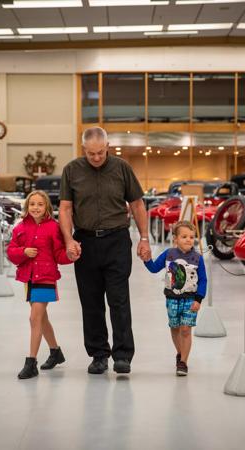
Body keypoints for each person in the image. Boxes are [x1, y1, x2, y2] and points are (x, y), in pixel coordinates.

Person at [59, 126, 151, 375]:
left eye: (101, 153)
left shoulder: (122, 168)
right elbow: (65, 209)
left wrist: (144, 238)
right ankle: (99, 354)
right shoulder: (72, 170)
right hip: (85, 243)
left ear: (108, 147)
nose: (97, 158)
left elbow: (137, 204)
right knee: (91, 303)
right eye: (91, 154)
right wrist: (69, 240)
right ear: (84, 150)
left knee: (119, 300)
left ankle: (123, 356)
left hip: (117, 241)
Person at [7, 190, 73, 380]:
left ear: (47, 208)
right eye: (32, 204)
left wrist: (71, 255)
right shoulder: (19, 228)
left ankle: (31, 362)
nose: (36, 207)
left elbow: (59, 254)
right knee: (41, 318)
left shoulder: (53, 227)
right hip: (29, 278)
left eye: (40, 204)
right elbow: (11, 252)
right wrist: (23, 252)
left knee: (34, 318)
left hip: (46, 276)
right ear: (27, 206)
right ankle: (55, 352)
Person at [142, 221, 207, 376]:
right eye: (184, 236)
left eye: (191, 237)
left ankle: (183, 362)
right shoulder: (168, 254)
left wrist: (198, 299)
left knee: (186, 329)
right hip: (172, 298)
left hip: (190, 299)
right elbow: (154, 268)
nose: (188, 240)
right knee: (175, 327)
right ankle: (180, 352)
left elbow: (203, 280)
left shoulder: (198, 258)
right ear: (175, 239)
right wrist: (147, 259)